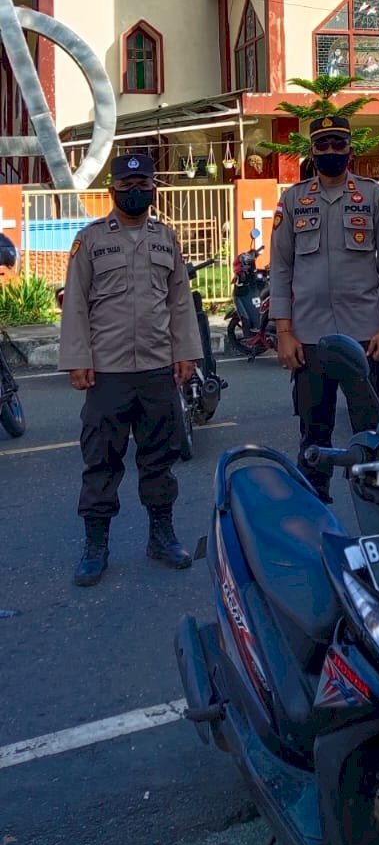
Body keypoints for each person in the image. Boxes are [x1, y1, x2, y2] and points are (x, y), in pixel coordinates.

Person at [58, 153, 202, 586]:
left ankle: (161, 536)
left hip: (158, 367)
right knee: (101, 461)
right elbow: (76, 305)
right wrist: (78, 359)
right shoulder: (92, 240)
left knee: (160, 458)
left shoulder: (167, 240)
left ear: (154, 188)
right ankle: (95, 546)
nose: (137, 191)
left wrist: (187, 353)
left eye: (144, 183)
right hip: (108, 371)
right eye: (128, 186)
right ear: (113, 192)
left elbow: (179, 301)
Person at [269, 113, 379, 502]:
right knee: (314, 434)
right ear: (313, 150)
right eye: (323, 145)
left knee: (372, 433)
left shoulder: (375, 196)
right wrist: (283, 331)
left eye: (338, 145)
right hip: (309, 338)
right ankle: (315, 510)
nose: (330, 151)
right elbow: (280, 268)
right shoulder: (294, 200)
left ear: (350, 149)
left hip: (366, 336)